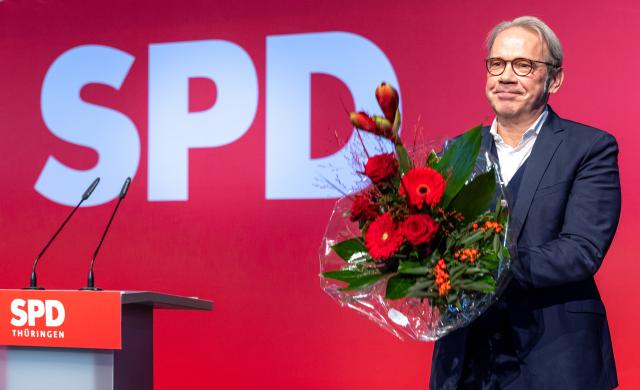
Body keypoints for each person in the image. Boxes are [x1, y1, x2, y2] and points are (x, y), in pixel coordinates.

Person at [429, 16, 621, 389]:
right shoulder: (456, 152)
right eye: (497, 64)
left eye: (524, 65)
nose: (505, 77)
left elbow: (581, 249)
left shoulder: (589, 148)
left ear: (555, 79)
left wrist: (486, 268)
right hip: (467, 359)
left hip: (555, 357)